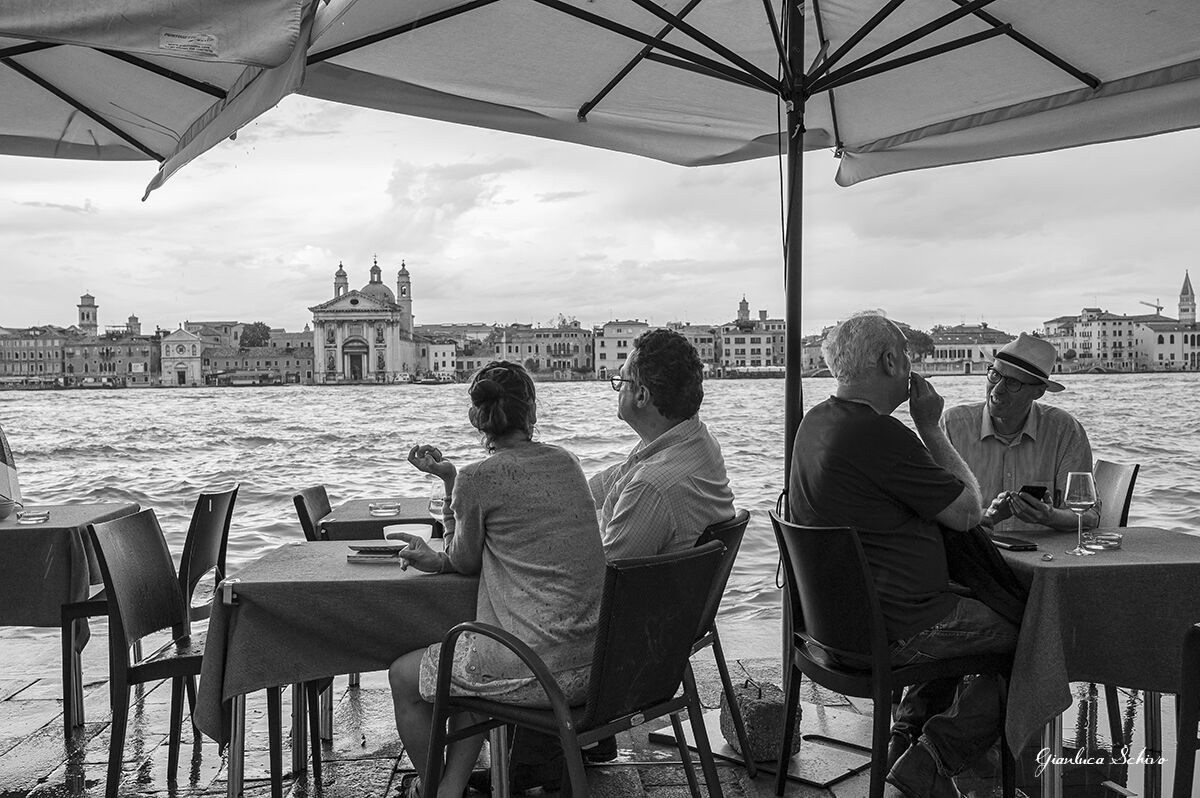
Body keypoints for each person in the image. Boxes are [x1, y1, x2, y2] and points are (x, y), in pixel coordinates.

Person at [474, 328, 736, 793]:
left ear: (642, 394)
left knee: (519, 610)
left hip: (622, 653)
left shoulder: (654, 486)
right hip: (660, 628)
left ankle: (532, 766)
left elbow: (596, 583)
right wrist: (539, 489)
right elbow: (595, 491)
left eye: (620, 380)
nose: (616, 386)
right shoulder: (688, 442)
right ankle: (565, 749)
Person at [788, 311, 1018, 798]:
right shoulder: (880, 434)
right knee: (1038, 636)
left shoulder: (815, 423)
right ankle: (929, 761)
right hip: (902, 627)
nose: (912, 365)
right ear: (891, 361)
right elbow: (968, 512)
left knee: (976, 615)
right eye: (907, 356)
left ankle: (904, 737)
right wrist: (930, 427)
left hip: (835, 628)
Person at [385, 361, 606, 798]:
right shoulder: (568, 463)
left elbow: (464, 561)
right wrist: (452, 479)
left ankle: (433, 788)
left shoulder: (477, 478)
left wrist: (450, 490)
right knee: (469, 673)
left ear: (477, 417)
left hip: (535, 672)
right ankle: (451, 789)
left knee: (403, 678)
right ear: (532, 411)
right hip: (596, 666)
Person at [941, 332, 1098, 534]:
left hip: (1045, 559)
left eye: (1012, 383)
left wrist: (1050, 516)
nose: (996, 390)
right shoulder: (952, 426)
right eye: (995, 375)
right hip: (974, 556)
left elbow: (1089, 516)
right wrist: (987, 516)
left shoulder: (1065, 430)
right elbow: (934, 507)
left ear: (1038, 392)